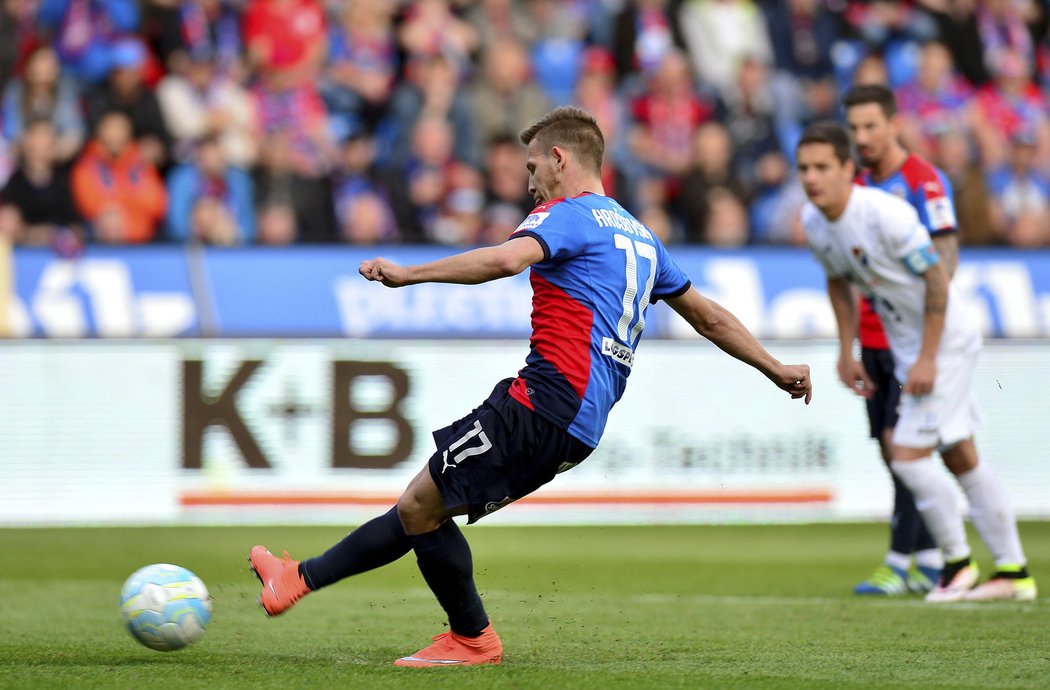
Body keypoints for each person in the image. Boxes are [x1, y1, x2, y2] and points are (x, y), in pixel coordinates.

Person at [248, 106, 813, 667]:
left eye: (533, 166)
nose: (529, 182)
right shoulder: (641, 236)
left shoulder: (570, 215)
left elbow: (505, 259)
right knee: (423, 504)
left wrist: (408, 274)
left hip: (544, 402)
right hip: (580, 424)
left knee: (421, 505)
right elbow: (708, 317)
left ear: (560, 159)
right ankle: (298, 580)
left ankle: (468, 638)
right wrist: (773, 366)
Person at [797, 121, 1036, 604]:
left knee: (905, 454)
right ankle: (1013, 572)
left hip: (943, 341)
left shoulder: (886, 215)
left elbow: (936, 280)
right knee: (959, 454)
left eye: (822, 167)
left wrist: (927, 357)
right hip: (909, 347)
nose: (811, 178)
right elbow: (838, 282)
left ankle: (956, 564)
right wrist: (848, 350)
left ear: (848, 170)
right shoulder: (814, 221)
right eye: (804, 168)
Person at [841, 82, 961, 596]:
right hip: (872, 338)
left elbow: (945, 259)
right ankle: (932, 556)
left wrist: (926, 335)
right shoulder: (858, 185)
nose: (862, 137)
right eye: (854, 128)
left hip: (908, 339)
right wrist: (848, 346)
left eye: (871, 126)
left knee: (904, 447)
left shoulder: (922, 181)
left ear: (894, 124)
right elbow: (843, 269)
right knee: (893, 452)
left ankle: (899, 561)